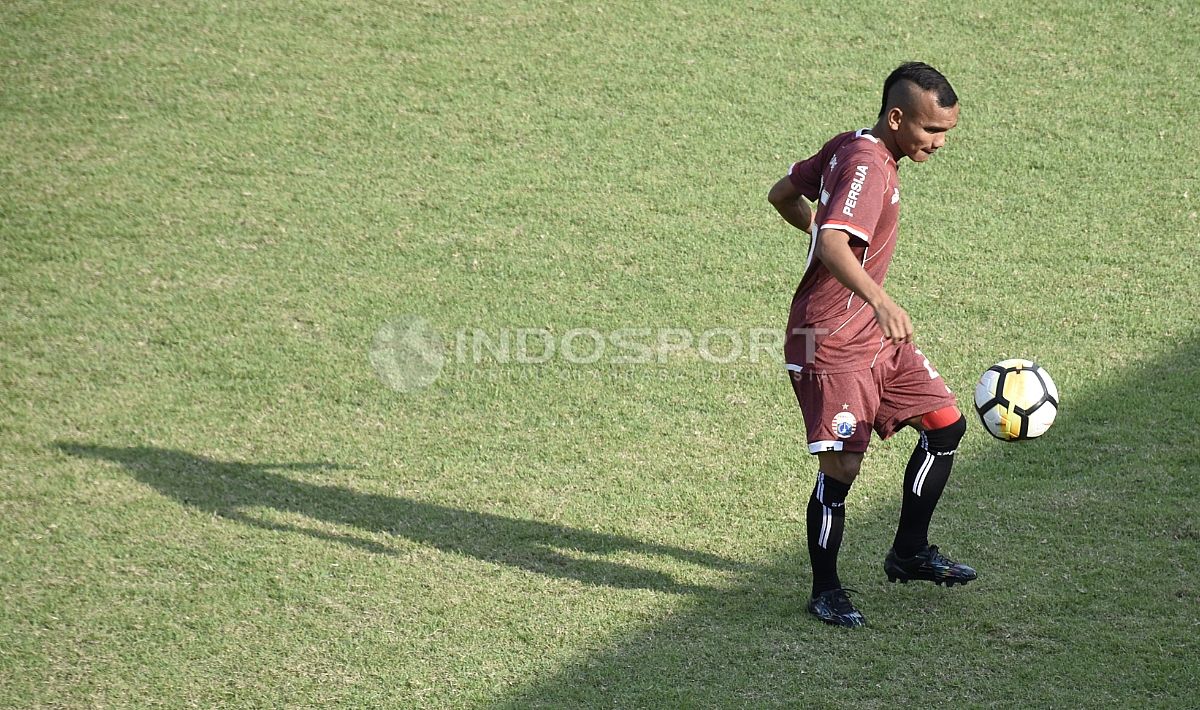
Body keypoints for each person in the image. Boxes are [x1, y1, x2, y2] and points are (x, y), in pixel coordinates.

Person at [767, 62, 976, 628]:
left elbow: (782, 193)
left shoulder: (852, 146)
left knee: (945, 423)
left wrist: (812, 230)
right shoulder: (869, 165)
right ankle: (825, 589)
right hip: (830, 340)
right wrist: (879, 298)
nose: (939, 142)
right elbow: (836, 243)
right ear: (897, 117)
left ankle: (908, 554)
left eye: (946, 132)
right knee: (842, 471)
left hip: (869, 333)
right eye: (932, 131)